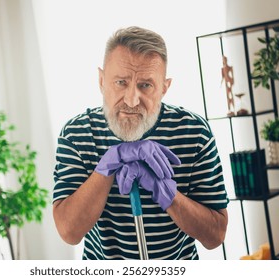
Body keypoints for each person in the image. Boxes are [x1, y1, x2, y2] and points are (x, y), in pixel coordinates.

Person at [53, 26, 229, 260]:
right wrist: (108, 166)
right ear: (101, 80)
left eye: (145, 85)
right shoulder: (76, 134)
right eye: (121, 83)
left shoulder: (194, 132)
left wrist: (167, 194)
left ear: (164, 88)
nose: (132, 100)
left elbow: (215, 235)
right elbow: (69, 232)